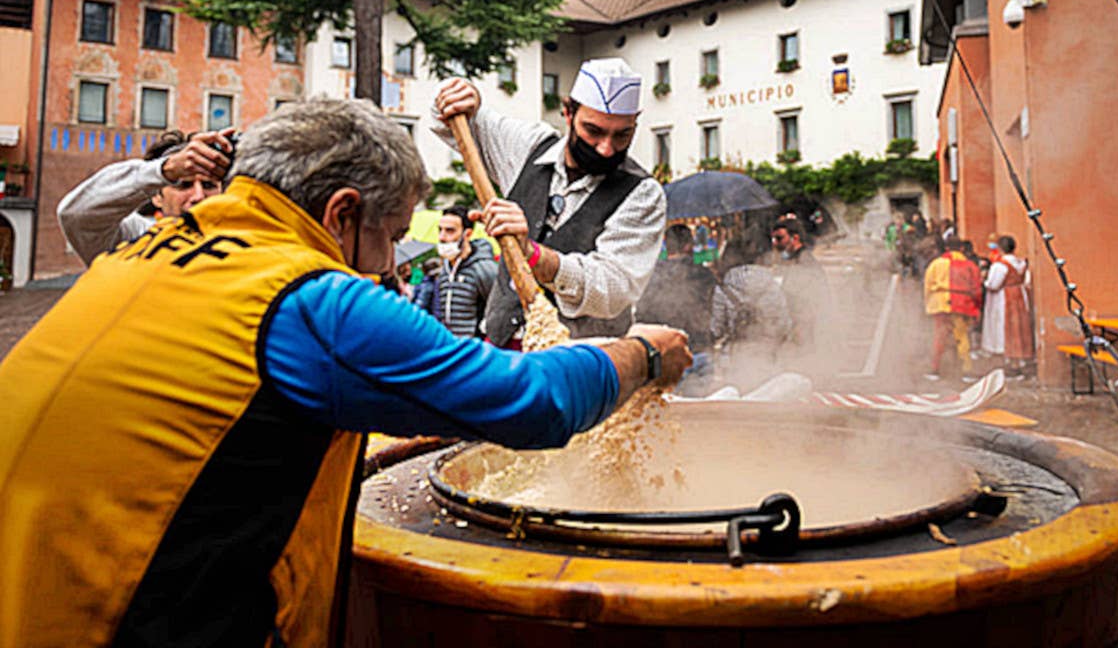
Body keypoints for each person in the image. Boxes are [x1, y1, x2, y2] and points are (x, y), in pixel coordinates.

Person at [0, 99, 691, 648]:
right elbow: (530, 401)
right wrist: (643, 353)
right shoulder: (307, 298)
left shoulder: (158, 248)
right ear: (341, 213)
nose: (391, 263)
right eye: (389, 234)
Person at [433, 58, 667, 348]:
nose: (606, 149)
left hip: (584, 360)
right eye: (593, 131)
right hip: (503, 347)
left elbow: (612, 287)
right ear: (568, 113)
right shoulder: (529, 146)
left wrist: (531, 254)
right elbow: (452, 122)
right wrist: (462, 95)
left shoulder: (642, 193)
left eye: (622, 135)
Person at [57, 127, 236, 264]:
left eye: (209, 185)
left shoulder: (237, 243)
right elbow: (76, 214)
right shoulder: (136, 237)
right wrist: (166, 169)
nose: (199, 196)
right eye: (183, 185)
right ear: (157, 197)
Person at [635, 223, 718, 351]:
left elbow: (640, 315)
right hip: (698, 348)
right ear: (688, 246)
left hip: (661, 351)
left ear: (666, 246)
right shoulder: (704, 276)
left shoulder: (648, 277)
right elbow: (716, 312)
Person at [767, 217, 832, 354]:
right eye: (773, 239)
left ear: (794, 238)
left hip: (806, 329)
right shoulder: (793, 261)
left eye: (779, 238)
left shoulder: (805, 261)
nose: (775, 243)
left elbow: (810, 299)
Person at [432, 204, 498, 338]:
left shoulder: (484, 268)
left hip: (475, 348)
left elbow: (499, 309)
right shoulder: (444, 270)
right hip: (450, 345)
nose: (442, 237)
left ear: (467, 234)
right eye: (440, 230)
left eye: (450, 231)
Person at [924, 236, 983, 381]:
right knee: (962, 337)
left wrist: (928, 304)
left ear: (946, 248)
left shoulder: (935, 264)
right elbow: (977, 289)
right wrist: (977, 308)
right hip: (962, 304)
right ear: (962, 248)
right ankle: (967, 371)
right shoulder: (970, 266)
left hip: (939, 304)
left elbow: (927, 286)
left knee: (939, 336)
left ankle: (935, 370)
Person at [981, 234, 1035, 378]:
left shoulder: (1000, 265)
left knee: (1005, 329)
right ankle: (1020, 359)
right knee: (1019, 328)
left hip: (1004, 298)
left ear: (1000, 248)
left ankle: (1010, 361)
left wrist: (984, 281)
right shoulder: (1022, 263)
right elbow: (1027, 280)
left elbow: (993, 284)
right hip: (1020, 296)